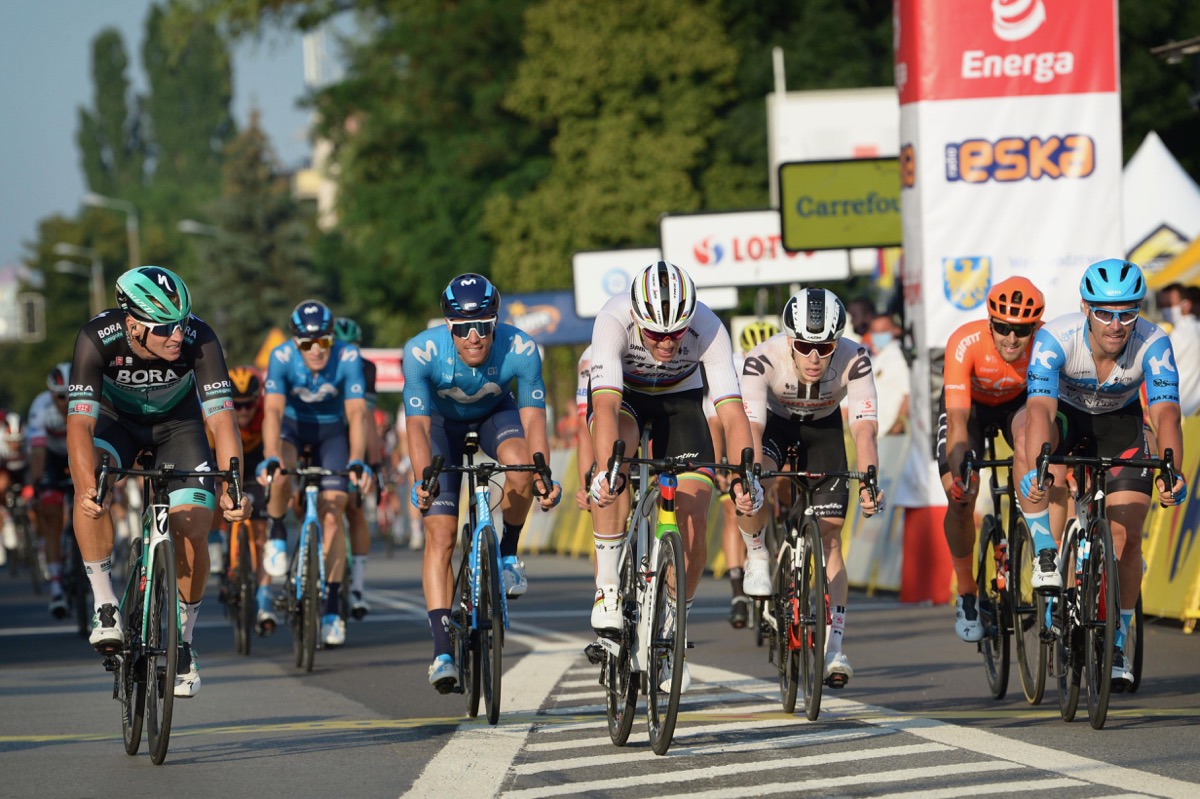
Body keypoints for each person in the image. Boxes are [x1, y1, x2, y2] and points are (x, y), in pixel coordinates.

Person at [65, 266, 249, 698]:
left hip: (179, 429)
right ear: (132, 325)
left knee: (192, 530)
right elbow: (78, 427)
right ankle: (105, 603)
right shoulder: (97, 338)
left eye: (182, 324)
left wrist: (234, 487)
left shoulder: (199, 338)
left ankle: (183, 642)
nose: (177, 336)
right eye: (164, 328)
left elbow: (221, 420)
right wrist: (84, 486)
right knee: (93, 483)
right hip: (116, 425)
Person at [587, 261, 759, 692]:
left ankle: (671, 628)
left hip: (680, 404)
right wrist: (607, 468)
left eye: (676, 333)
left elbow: (732, 411)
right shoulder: (612, 320)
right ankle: (608, 587)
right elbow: (604, 406)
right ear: (637, 318)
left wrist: (745, 474)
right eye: (655, 334)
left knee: (693, 519)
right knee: (616, 467)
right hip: (625, 397)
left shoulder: (709, 327)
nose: (666, 342)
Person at [1019, 258, 1187, 687]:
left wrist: (1173, 470)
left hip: (1121, 426)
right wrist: (1041, 460)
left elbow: (1167, 413)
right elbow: (1041, 406)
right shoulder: (1056, 337)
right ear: (1085, 308)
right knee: (1027, 430)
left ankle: (1117, 640)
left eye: (1128, 312)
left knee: (1126, 536)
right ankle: (1045, 552)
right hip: (1068, 419)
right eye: (1105, 313)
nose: (1116, 324)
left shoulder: (1153, 342)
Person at [404, 273, 561, 693]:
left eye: (483, 326)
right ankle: (441, 651)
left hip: (496, 415)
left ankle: (507, 555)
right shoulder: (420, 352)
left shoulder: (522, 348)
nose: (473, 337)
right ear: (448, 326)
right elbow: (417, 427)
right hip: (441, 427)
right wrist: (424, 479)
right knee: (439, 533)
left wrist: (542, 471)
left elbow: (532, 417)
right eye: (461, 328)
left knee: (522, 466)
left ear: (496, 322)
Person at [737, 289, 884, 686]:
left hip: (824, 432)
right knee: (752, 484)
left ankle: (835, 646)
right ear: (790, 341)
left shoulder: (855, 357)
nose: (815, 358)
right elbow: (751, 427)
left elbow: (865, 430)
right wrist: (750, 474)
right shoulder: (763, 358)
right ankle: (757, 556)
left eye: (825, 347)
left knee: (831, 538)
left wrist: (871, 479)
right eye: (804, 346)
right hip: (775, 425)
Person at [258, 300, 374, 649]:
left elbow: (356, 414)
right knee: (279, 475)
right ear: (295, 343)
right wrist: (271, 457)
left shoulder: (348, 358)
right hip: (293, 430)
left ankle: (332, 610)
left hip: (331, 433)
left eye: (323, 341)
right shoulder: (280, 358)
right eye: (307, 343)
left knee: (335, 511)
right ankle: (277, 531)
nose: (316, 350)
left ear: (331, 339)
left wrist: (357, 459)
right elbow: (273, 412)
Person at [937, 277, 1044, 642]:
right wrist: (960, 473)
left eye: (1022, 330)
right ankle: (966, 592)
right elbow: (956, 421)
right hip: (970, 411)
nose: (1011, 339)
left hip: (1018, 406)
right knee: (961, 495)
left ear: (1036, 327)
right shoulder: (965, 342)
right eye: (1002, 328)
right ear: (990, 322)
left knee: (1042, 459)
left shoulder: (1046, 344)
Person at [720, 319, 779, 629]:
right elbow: (716, 420)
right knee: (733, 509)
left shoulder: (781, 363)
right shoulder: (732, 367)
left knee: (779, 488)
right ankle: (736, 590)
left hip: (773, 437)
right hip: (740, 440)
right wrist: (718, 462)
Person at [333, 316, 383, 619]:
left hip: (352, 438)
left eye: (353, 347)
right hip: (321, 437)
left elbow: (368, 421)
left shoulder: (366, 368)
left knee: (354, 508)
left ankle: (357, 587)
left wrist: (373, 464)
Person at [224, 365, 275, 635]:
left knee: (259, 533)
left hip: (255, 462)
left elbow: (273, 450)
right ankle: (222, 548)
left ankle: (264, 595)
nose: (243, 411)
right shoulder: (218, 411)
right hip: (220, 455)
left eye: (249, 405)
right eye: (238, 405)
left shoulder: (266, 412)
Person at [24, 363, 73, 616]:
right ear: (52, 394)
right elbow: (38, 449)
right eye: (61, 396)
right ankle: (56, 588)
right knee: (52, 516)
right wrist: (37, 482)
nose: (66, 401)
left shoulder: (90, 398)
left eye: (71, 395)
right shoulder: (41, 406)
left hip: (79, 452)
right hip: (51, 459)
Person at [1156, 283, 1200, 416]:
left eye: (1169, 305)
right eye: (1162, 305)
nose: (1165, 310)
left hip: (1180, 410)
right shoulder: (1195, 328)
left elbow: (1157, 368)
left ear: (1185, 305)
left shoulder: (1179, 334)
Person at [864, 313, 910, 436]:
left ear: (896, 330)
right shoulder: (876, 357)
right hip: (877, 433)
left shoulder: (898, 357)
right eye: (875, 331)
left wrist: (897, 428)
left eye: (883, 331)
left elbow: (909, 395)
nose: (878, 335)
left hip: (890, 434)